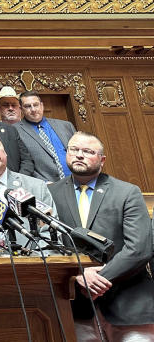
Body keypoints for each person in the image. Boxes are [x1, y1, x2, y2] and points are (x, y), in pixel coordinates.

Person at [47, 133, 154, 341]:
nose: (79, 155)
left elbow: (139, 248)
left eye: (88, 152)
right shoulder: (51, 193)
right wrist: (77, 276)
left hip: (129, 304)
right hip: (76, 307)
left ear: (102, 160)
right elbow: (50, 245)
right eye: (74, 150)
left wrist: (97, 279)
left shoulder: (127, 192)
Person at [14, 90, 76, 182]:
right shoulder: (15, 131)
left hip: (76, 182)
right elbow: (20, 164)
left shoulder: (66, 126)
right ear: (21, 109)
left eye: (36, 105)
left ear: (42, 106)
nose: (33, 109)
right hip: (46, 187)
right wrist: (41, 184)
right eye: (27, 106)